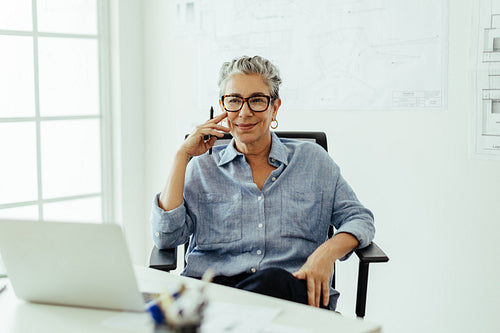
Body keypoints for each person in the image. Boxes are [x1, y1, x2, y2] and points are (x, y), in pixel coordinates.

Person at [150, 55, 375, 310]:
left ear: (274, 107)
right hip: (216, 297)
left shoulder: (314, 162)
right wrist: (182, 156)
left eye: (257, 100)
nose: (244, 112)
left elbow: (360, 219)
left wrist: (327, 252)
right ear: (222, 105)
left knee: (274, 279)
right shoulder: (202, 167)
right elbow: (166, 238)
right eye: (234, 101)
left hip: (291, 298)